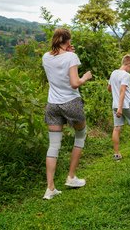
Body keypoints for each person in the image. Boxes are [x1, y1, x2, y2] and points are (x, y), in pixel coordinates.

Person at [41, 27, 92, 200]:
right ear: (68, 41)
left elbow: (57, 63)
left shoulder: (46, 57)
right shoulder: (71, 57)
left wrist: (67, 52)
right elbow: (74, 83)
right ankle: (71, 177)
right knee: (81, 134)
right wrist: (85, 77)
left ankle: (50, 188)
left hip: (52, 105)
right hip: (71, 103)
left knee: (53, 145)